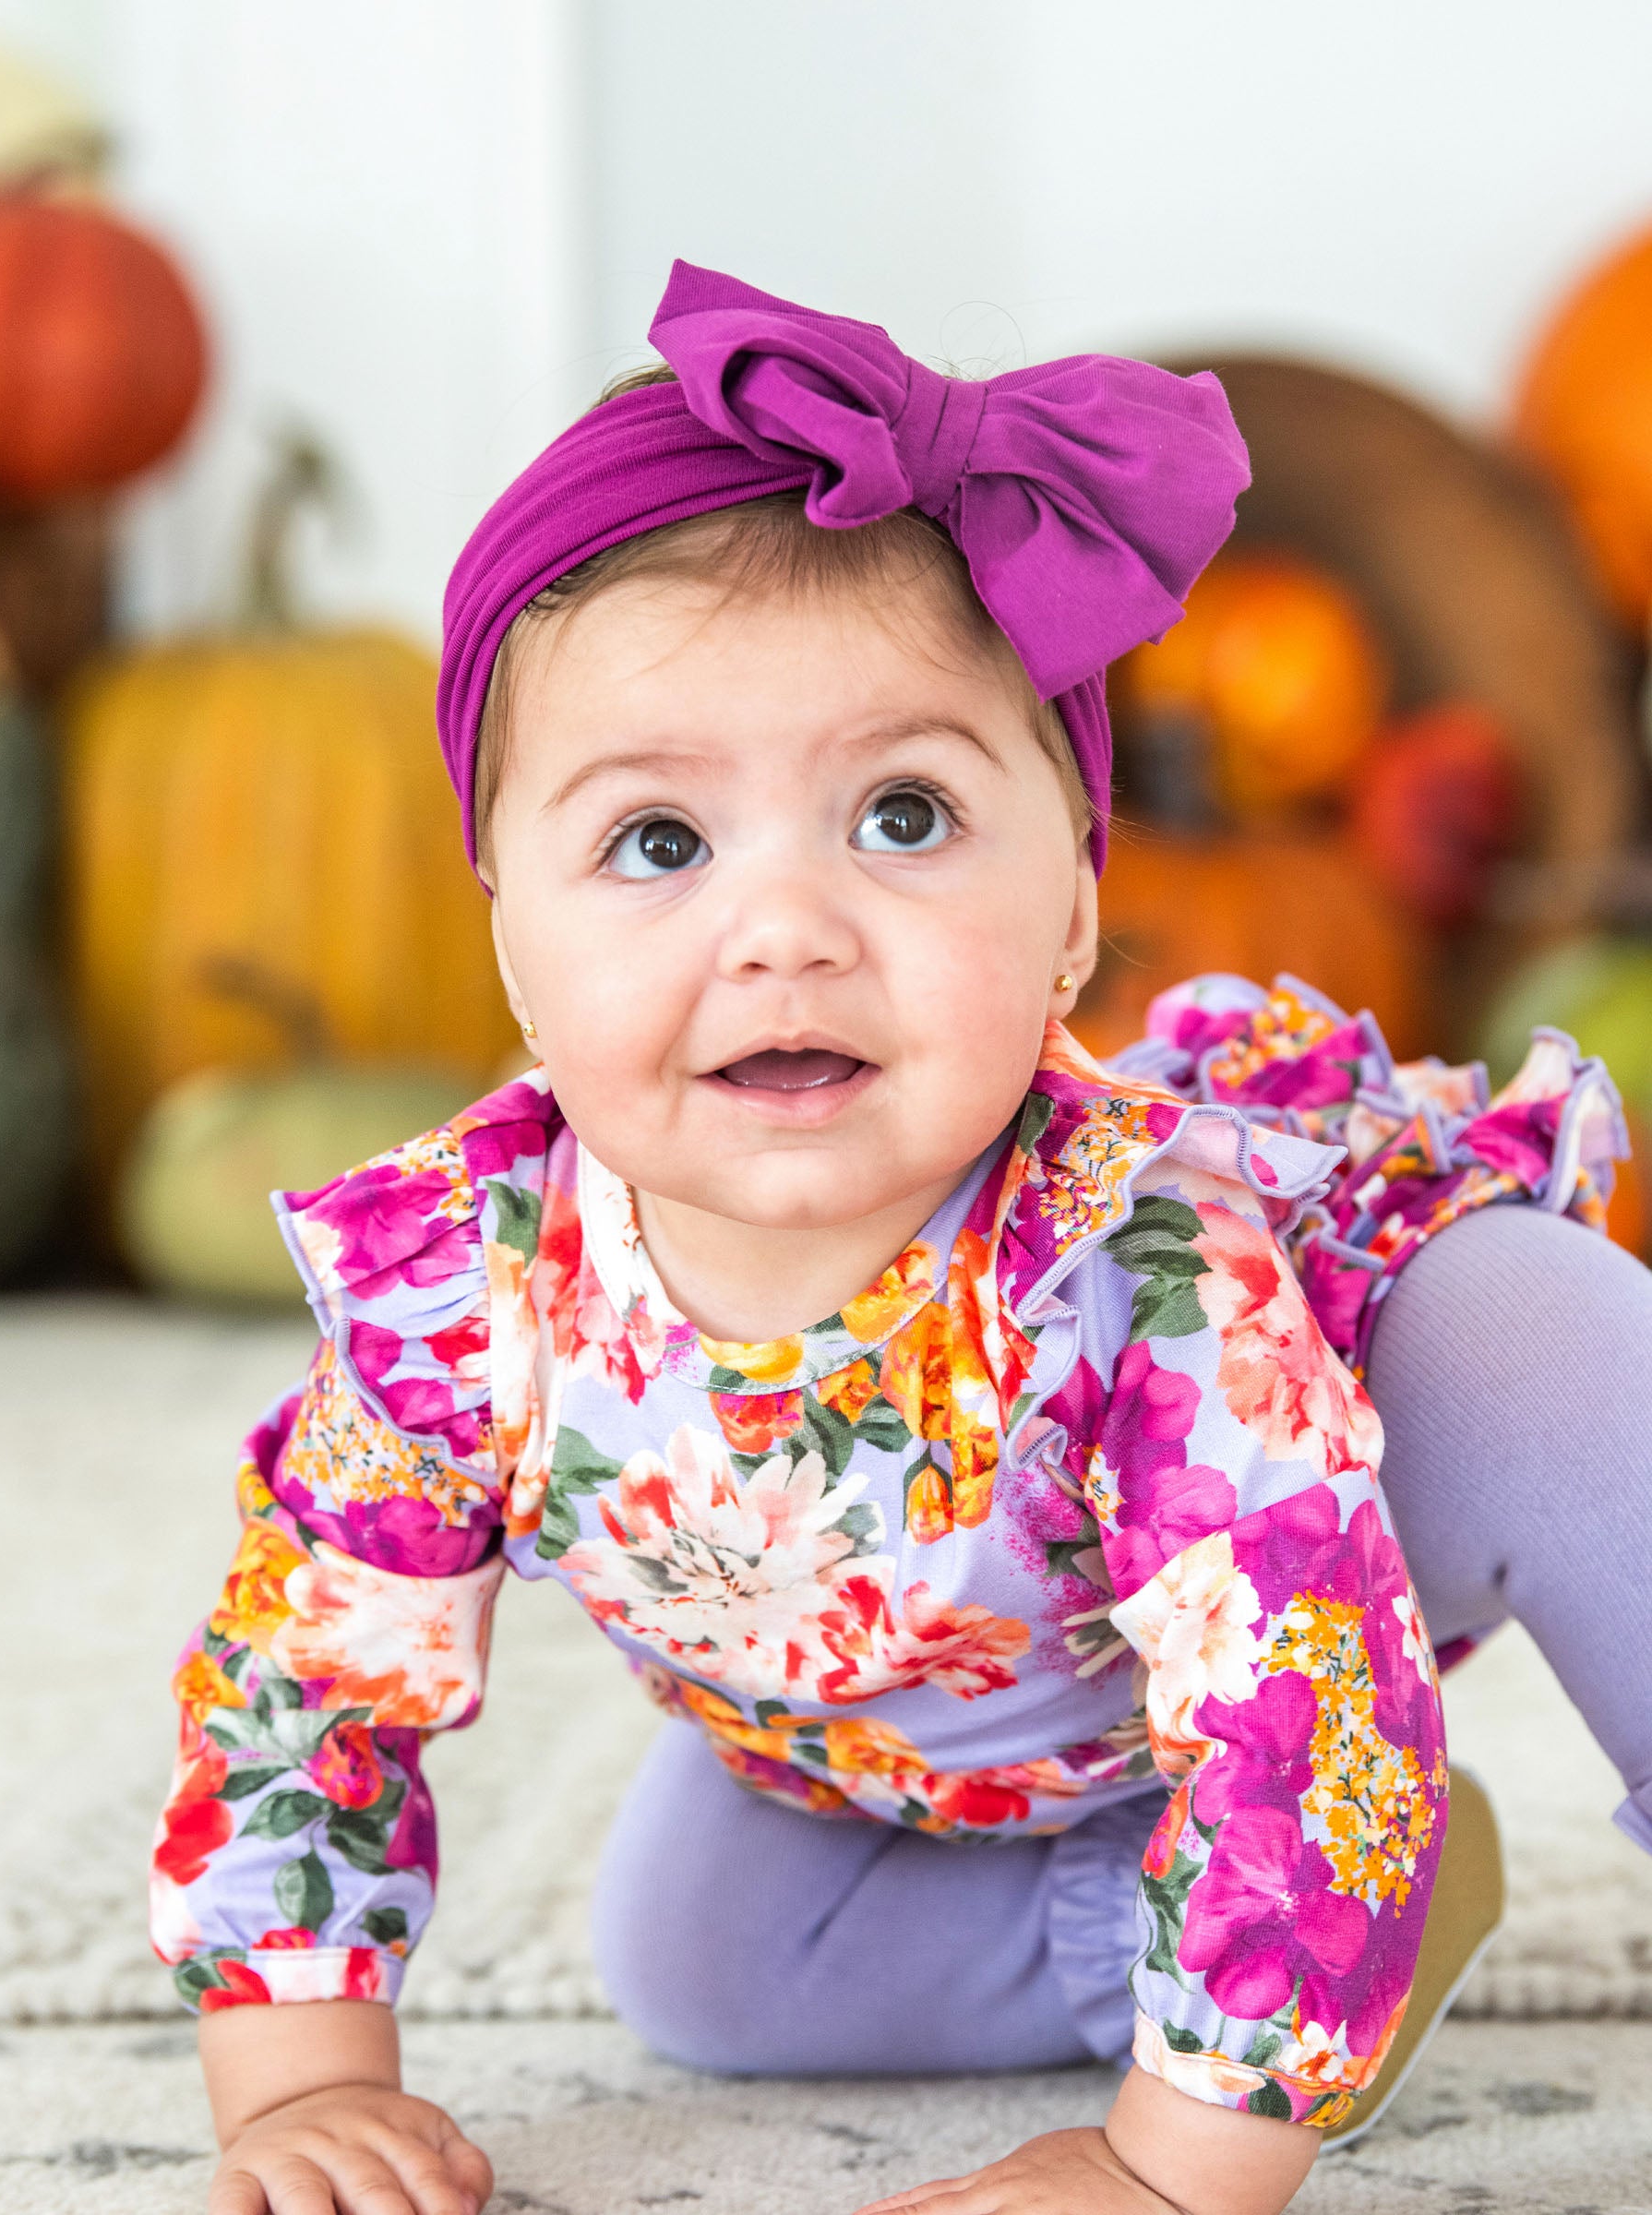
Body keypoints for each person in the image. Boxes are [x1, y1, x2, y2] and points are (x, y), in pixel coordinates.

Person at [151, 263, 1651, 2215]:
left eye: (908, 814)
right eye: (660, 845)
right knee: (706, 1972)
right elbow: (308, 1676)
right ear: (511, 943)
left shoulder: (1143, 1269)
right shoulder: (468, 1289)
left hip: (1322, 1556)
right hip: (928, 1741)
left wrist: (1170, 2168)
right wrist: (294, 2087)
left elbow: (1306, 1694)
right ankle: (1245, 1922)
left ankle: (1288, 1960)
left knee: (1536, 1335)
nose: (787, 929)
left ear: (1079, 920)